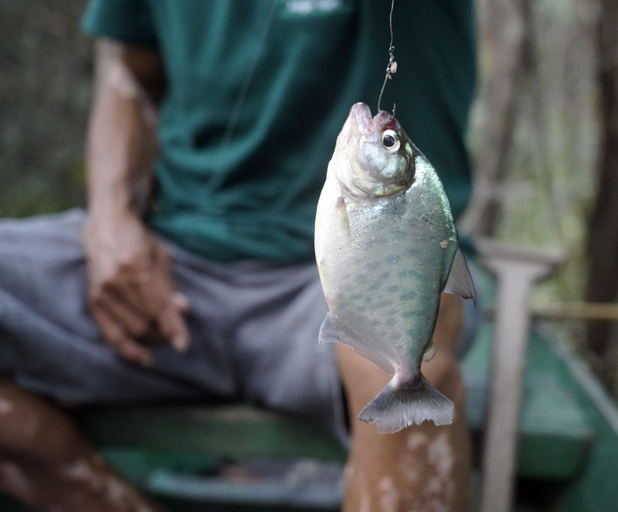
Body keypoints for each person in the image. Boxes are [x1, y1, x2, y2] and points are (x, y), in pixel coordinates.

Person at [0, 1, 478, 511]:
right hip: (169, 271)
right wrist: (112, 221)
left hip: (351, 273)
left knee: (395, 366)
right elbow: (129, 70)